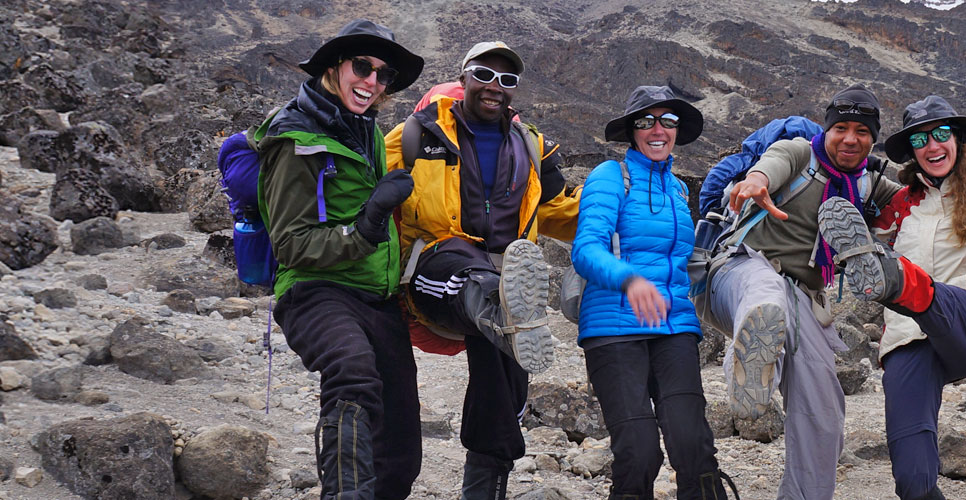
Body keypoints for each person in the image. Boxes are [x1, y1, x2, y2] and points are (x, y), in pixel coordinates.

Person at [384, 41, 579, 500]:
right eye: (484, 75)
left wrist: (627, 226)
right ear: (465, 78)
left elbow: (558, 209)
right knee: (481, 283)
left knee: (502, 391)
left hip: (510, 278)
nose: (495, 87)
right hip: (437, 271)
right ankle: (499, 305)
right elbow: (360, 181)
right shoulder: (419, 134)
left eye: (507, 80)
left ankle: (484, 490)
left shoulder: (530, 146)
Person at [813, 96, 966, 500]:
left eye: (942, 134)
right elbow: (844, 235)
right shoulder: (897, 206)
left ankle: (897, 279)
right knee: (912, 478)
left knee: (916, 287)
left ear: (958, 140)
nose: (933, 146)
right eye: (921, 139)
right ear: (912, 152)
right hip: (908, 337)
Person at [703, 84, 902, 500]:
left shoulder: (869, 182)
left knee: (823, 413)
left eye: (862, 131)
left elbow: (914, 201)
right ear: (826, 130)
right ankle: (750, 379)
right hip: (739, 270)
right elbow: (770, 165)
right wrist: (756, 180)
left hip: (804, 300)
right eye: (841, 128)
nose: (850, 138)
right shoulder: (798, 153)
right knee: (766, 296)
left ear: (873, 137)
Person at [254, 19, 423, 500]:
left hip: (377, 296)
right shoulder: (294, 138)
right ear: (335, 67)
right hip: (314, 291)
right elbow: (292, 244)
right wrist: (369, 223)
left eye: (383, 74)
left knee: (401, 444)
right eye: (362, 66)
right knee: (351, 371)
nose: (372, 81)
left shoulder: (364, 128)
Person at [574, 85, 737, 500]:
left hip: (675, 327)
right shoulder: (611, 176)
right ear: (632, 131)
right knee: (638, 450)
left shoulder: (680, 191)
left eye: (668, 121)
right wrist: (630, 280)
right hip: (613, 329)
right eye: (646, 122)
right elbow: (586, 249)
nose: (658, 129)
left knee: (693, 444)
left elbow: (683, 263)